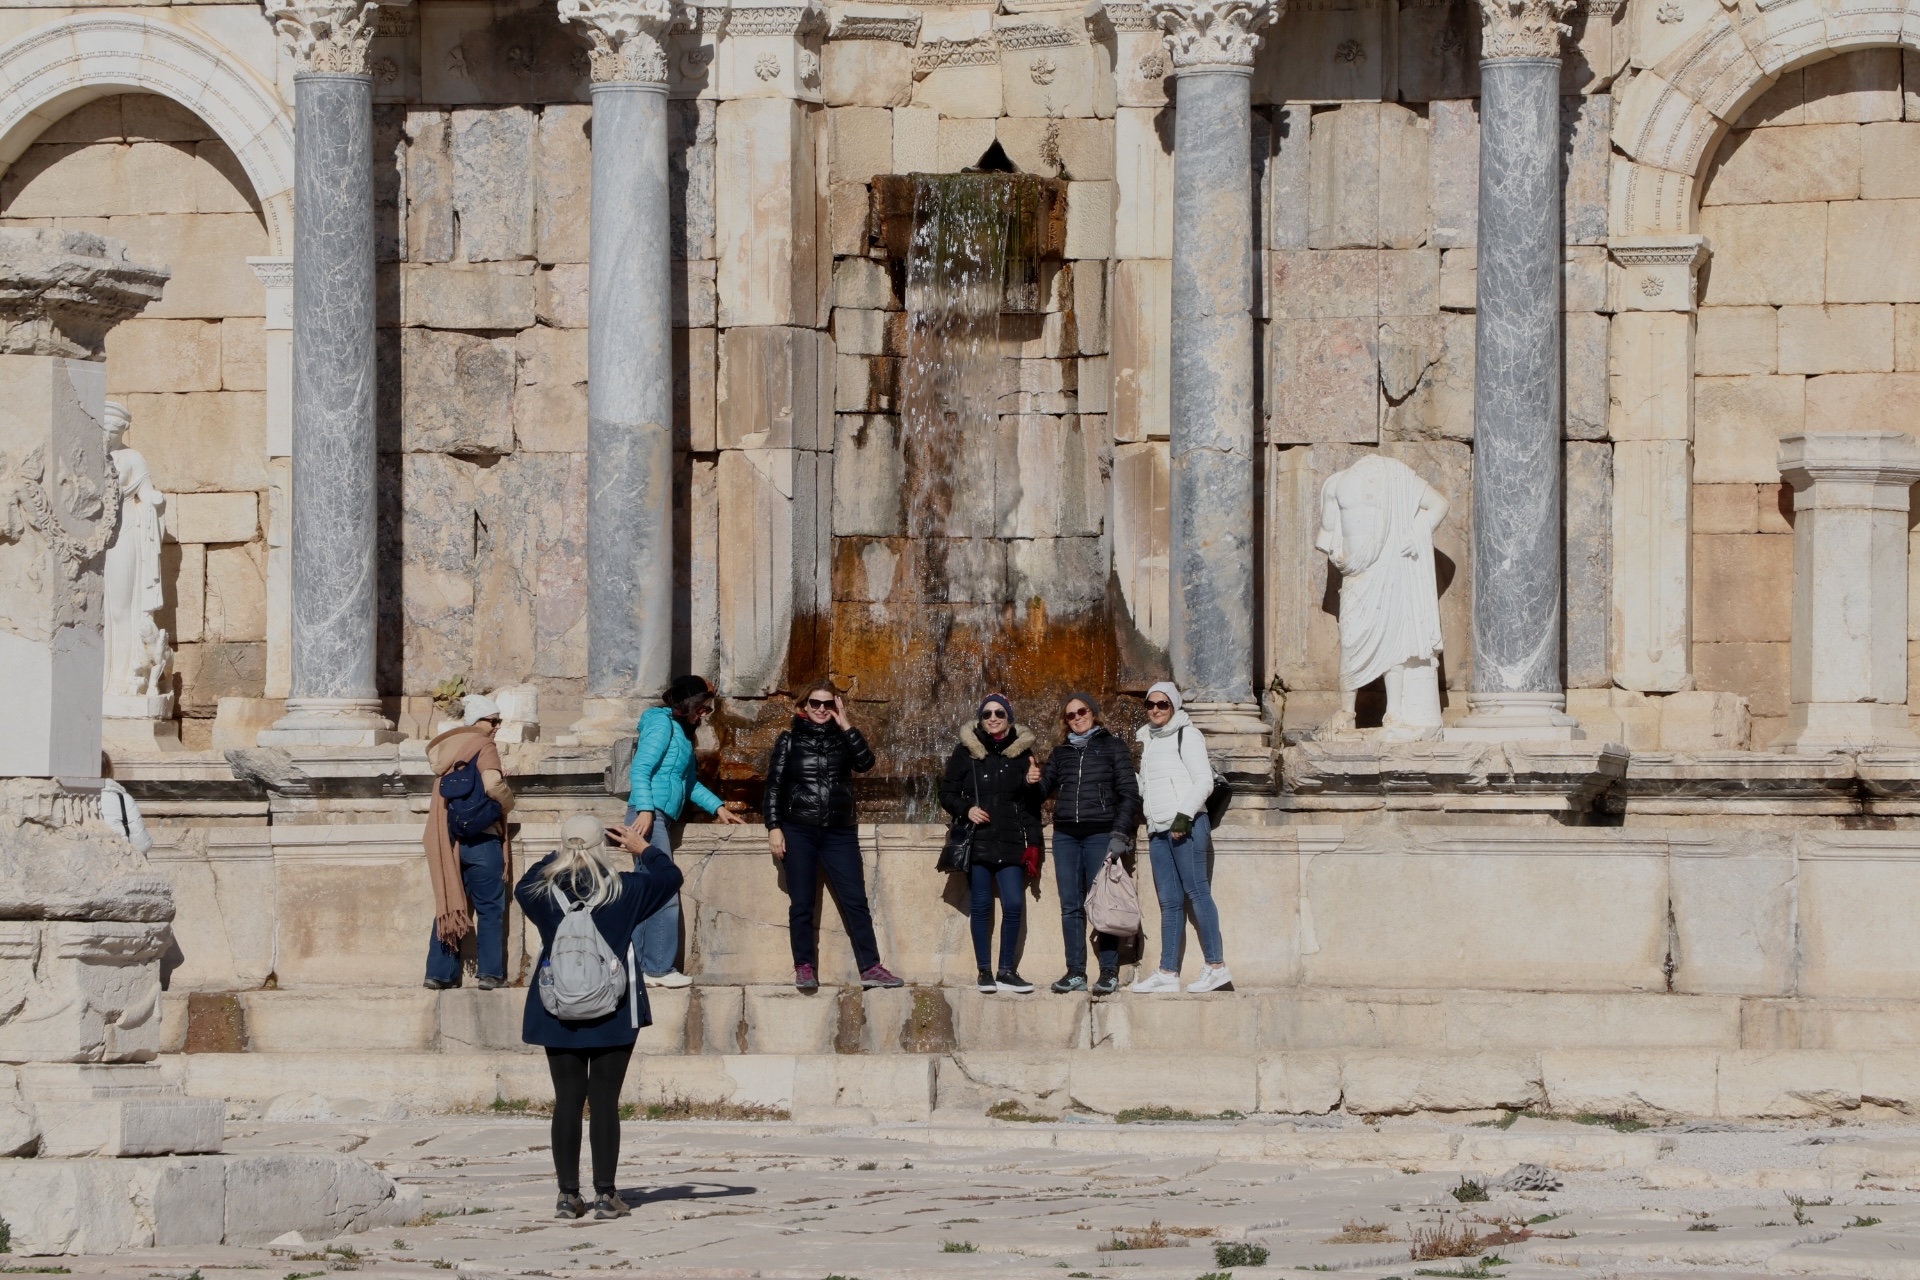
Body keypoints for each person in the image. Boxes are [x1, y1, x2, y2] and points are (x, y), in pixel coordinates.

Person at [517, 813, 682, 1221]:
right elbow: (671, 876)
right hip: (614, 1007)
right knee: (605, 1102)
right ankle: (607, 1196)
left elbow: (525, 881)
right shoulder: (627, 889)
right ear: (602, 846)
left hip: (558, 1009)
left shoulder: (538, 891)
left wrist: (558, 851)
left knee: (568, 1102)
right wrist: (643, 849)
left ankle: (567, 1196)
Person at [764, 682, 903, 992]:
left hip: (839, 832)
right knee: (802, 902)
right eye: (815, 703)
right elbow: (773, 786)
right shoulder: (788, 740)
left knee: (856, 902)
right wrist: (774, 827)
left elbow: (866, 763)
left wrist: (847, 724)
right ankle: (804, 966)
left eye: (828, 704)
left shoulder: (843, 739)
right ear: (804, 705)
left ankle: (871, 967)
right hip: (798, 829)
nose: (821, 709)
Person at [625, 675, 746, 987]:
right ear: (690, 703)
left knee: (647, 890)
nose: (705, 715)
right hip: (648, 816)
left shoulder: (681, 732)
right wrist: (647, 810)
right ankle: (659, 969)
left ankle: (638, 968)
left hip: (659, 815)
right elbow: (640, 768)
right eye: (704, 708)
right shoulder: (660, 723)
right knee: (664, 886)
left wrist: (718, 808)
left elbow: (688, 782)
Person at [1131, 682, 1232, 994]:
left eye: (1162, 704)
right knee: (1170, 902)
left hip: (1186, 824)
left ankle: (1217, 967)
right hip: (1158, 827)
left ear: (1174, 705)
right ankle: (1167, 971)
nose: (1156, 710)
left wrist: (1184, 816)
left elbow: (1204, 780)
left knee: (1198, 892)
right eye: (1150, 705)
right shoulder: (1145, 738)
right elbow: (1146, 783)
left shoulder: (1187, 734)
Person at [939, 693, 1044, 995]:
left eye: (999, 713)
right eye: (987, 714)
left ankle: (1007, 971)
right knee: (982, 906)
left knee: (1013, 904)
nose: (993, 718)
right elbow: (946, 793)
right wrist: (965, 809)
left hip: (1010, 839)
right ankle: (984, 971)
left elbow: (1030, 806)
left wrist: (1033, 783)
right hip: (979, 840)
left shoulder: (1024, 754)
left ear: (1009, 717)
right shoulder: (966, 752)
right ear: (981, 719)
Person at [1037, 693, 1140, 995]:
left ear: (1094, 714)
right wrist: (1029, 780)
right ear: (1065, 721)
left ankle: (1109, 972)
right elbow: (1041, 792)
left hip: (1100, 834)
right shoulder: (1061, 753)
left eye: (1082, 711)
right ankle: (1075, 972)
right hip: (1066, 835)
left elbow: (1129, 794)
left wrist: (1119, 834)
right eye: (1070, 715)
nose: (1077, 717)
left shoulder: (1113, 747)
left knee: (1104, 902)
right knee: (1071, 906)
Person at [423, 694, 515, 991]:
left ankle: (439, 974)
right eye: (494, 720)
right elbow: (492, 784)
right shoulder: (484, 745)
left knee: (450, 903)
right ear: (478, 722)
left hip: (449, 842)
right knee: (490, 908)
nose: (497, 726)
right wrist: (508, 801)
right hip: (482, 841)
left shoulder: (447, 750)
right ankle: (489, 974)